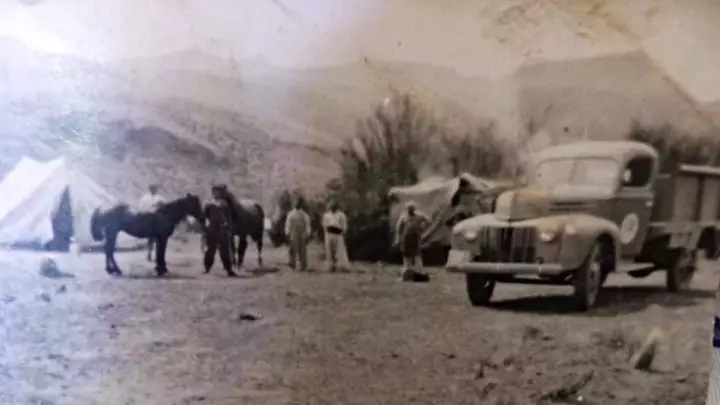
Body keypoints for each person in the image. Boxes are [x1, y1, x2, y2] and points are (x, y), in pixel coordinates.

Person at [394, 201, 431, 280]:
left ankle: (419, 271)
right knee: (407, 254)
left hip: (415, 237)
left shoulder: (419, 215)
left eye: (412, 208)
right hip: (406, 237)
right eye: (409, 208)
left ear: (414, 209)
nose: (410, 210)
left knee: (417, 254)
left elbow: (428, 221)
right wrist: (398, 238)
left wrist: (423, 228)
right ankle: (408, 271)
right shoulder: (404, 216)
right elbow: (398, 227)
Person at [138, 184, 166, 261]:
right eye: (152, 189)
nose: (154, 190)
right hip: (148, 217)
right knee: (151, 236)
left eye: (155, 189)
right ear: (150, 189)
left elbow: (165, 206)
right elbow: (141, 208)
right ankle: (149, 253)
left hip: (158, 218)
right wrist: (152, 206)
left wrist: (161, 205)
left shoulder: (160, 198)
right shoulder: (145, 198)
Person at [322, 201, 350, 272]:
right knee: (329, 250)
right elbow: (324, 225)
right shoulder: (326, 215)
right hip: (329, 233)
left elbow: (344, 225)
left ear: (336, 206)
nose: (332, 207)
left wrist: (343, 232)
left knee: (339, 250)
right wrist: (326, 233)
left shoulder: (341, 215)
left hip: (337, 233)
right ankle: (331, 266)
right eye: (331, 205)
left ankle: (341, 266)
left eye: (334, 205)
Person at [285, 199, 312, 271]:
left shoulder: (304, 214)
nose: (297, 205)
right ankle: (292, 263)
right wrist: (287, 233)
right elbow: (288, 224)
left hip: (302, 233)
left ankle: (303, 265)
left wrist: (308, 234)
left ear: (300, 205)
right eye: (296, 203)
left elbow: (307, 224)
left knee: (302, 249)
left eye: (298, 204)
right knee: (293, 249)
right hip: (294, 233)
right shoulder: (291, 214)